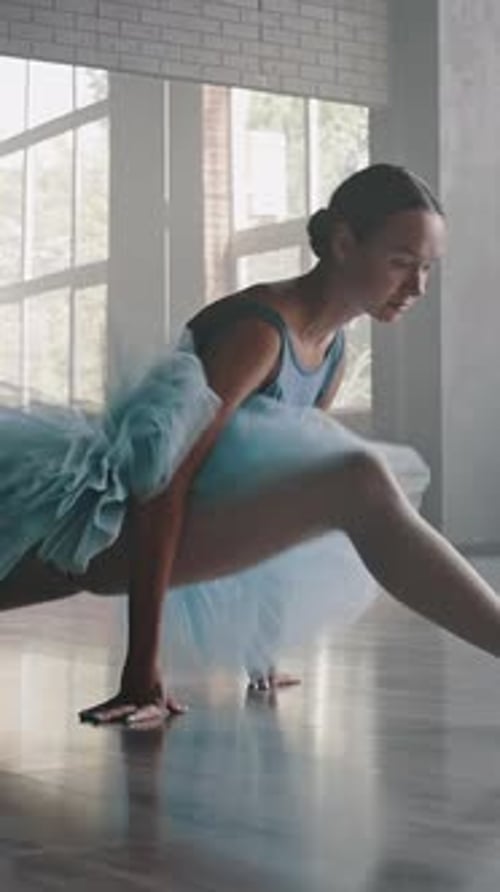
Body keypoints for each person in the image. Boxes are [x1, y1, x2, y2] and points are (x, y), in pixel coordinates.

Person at [2, 163, 500, 728]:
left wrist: (259, 644)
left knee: (352, 475)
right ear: (342, 243)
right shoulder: (260, 333)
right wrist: (140, 670)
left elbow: (271, 481)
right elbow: (166, 484)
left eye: (427, 268)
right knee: (358, 475)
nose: (417, 287)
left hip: (189, 531)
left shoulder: (330, 348)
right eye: (401, 263)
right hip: (111, 535)